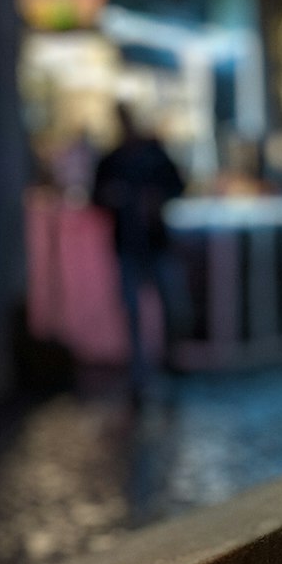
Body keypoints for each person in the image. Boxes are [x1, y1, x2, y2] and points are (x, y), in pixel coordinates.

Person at [92, 103, 186, 396]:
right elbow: (96, 196)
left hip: (156, 243)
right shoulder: (112, 160)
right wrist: (111, 198)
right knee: (132, 309)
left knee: (171, 304)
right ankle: (139, 368)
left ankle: (170, 360)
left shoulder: (152, 155)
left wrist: (157, 199)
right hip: (127, 244)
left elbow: (177, 185)